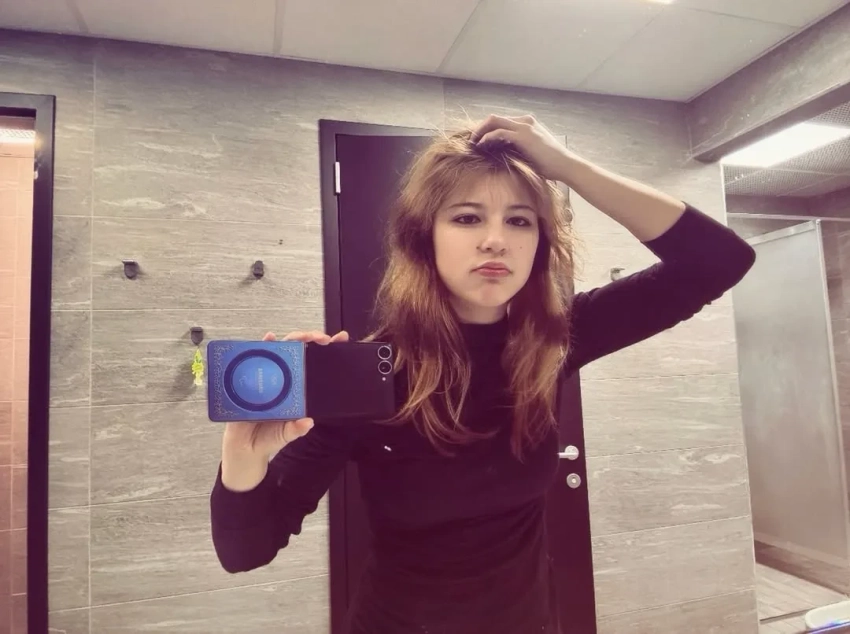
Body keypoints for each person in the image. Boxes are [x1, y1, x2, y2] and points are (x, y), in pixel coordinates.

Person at [209, 114, 756, 634]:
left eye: (519, 220)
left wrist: (567, 168)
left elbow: (720, 261)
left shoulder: (554, 341)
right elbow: (245, 551)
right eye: (467, 217)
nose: (496, 239)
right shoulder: (370, 375)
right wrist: (244, 455)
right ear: (425, 238)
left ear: (539, 243)